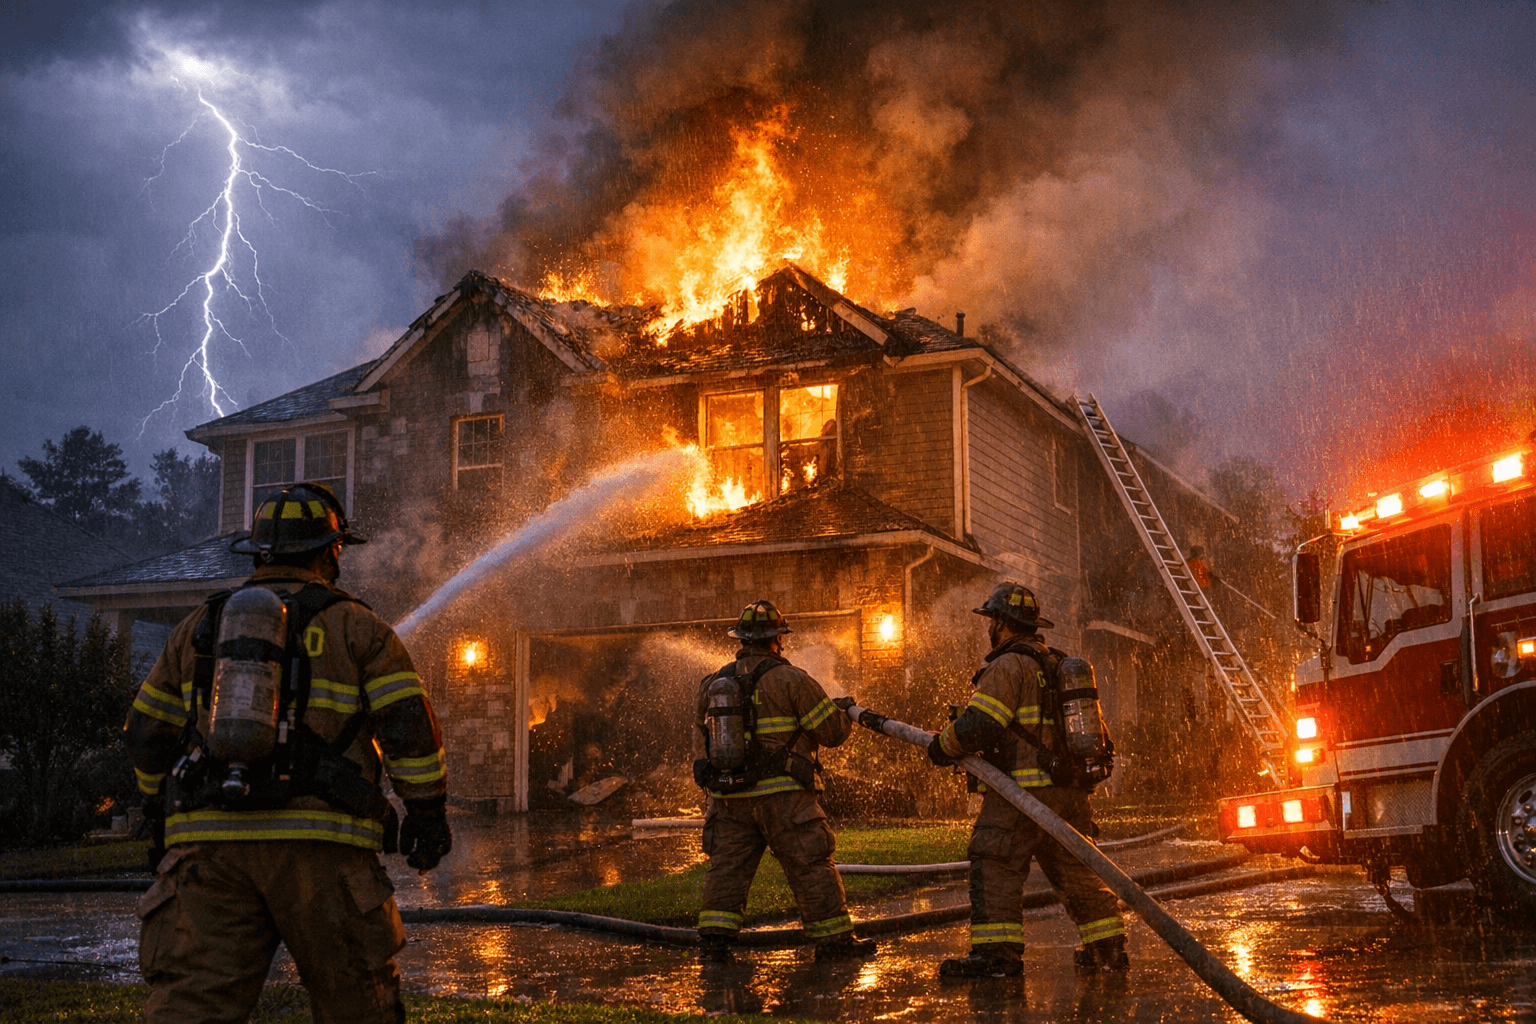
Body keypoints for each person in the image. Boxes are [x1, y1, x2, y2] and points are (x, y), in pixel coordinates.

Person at [126, 483, 451, 1024]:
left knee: (190, 1008)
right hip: (323, 851)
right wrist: (427, 810)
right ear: (331, 550)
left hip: (209, 852)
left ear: (259, 552)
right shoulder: (357, 627)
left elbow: (146, 732)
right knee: (358, 1004)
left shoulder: (198, 628)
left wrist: (156, 810)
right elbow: (406, 727)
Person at [927, 582, 1126, 978]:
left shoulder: (1007, 666)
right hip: (1069, 793)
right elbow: (1097, 735)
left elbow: (980, 725)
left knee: (995, 864)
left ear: (1001, 622)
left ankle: (996, 956)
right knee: (1077, 870)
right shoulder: (1060, 666)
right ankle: (1108, 949)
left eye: (992, 621)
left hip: (1016, 793)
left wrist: (941, 746)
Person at [694, 599, 876, 961]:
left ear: (743, 639)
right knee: (810, 866)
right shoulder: (792, 680)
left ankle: (715, 941)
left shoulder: (714, 683)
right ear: (778, 639)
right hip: (786, 799)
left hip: (730, 796)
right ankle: (834, 942)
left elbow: (704, 735)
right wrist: (841, 711)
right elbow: (831, 732)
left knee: (727, 870)